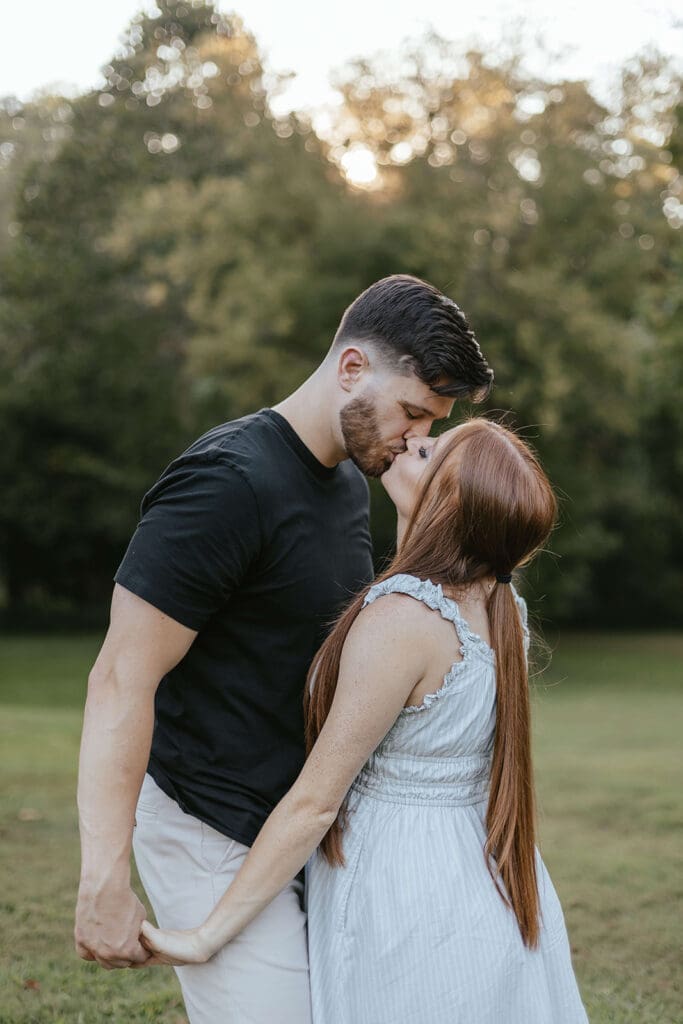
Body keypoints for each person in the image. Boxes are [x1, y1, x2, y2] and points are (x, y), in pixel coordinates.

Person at [74, 274, 494, 1024]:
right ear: (352, 367)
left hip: (294, 835)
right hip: (209, 822)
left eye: (429, 423)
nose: (416, 439)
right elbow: (118, 678)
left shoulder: (341, 480)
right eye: (412, 413)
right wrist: (103, 873)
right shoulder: (227, 482)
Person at [139, 417, 589, 1024]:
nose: (409, 440)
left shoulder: (403, 618)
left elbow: (315, 803)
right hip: (481, 873)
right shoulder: (503, 600)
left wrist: (207, 935)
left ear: (447, 501)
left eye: (429, 450)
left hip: (403, 887)